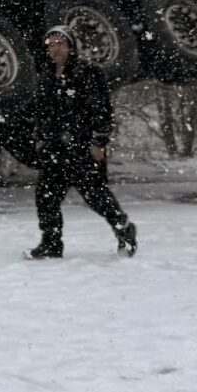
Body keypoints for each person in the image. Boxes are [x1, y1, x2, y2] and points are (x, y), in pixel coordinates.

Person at [23, 25, 137, 260]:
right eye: (51, 45)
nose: (56, 49)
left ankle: (124, 229)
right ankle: (51, 243)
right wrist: (41, 138)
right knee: (46, 196)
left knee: (96, 196)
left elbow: (102, 109)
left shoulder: (88, 72)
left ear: (71, 46)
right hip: (54, 147)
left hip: (82, 146)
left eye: (60, 43)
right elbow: (42, 110)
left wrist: (99, 141)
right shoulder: (46, 74)